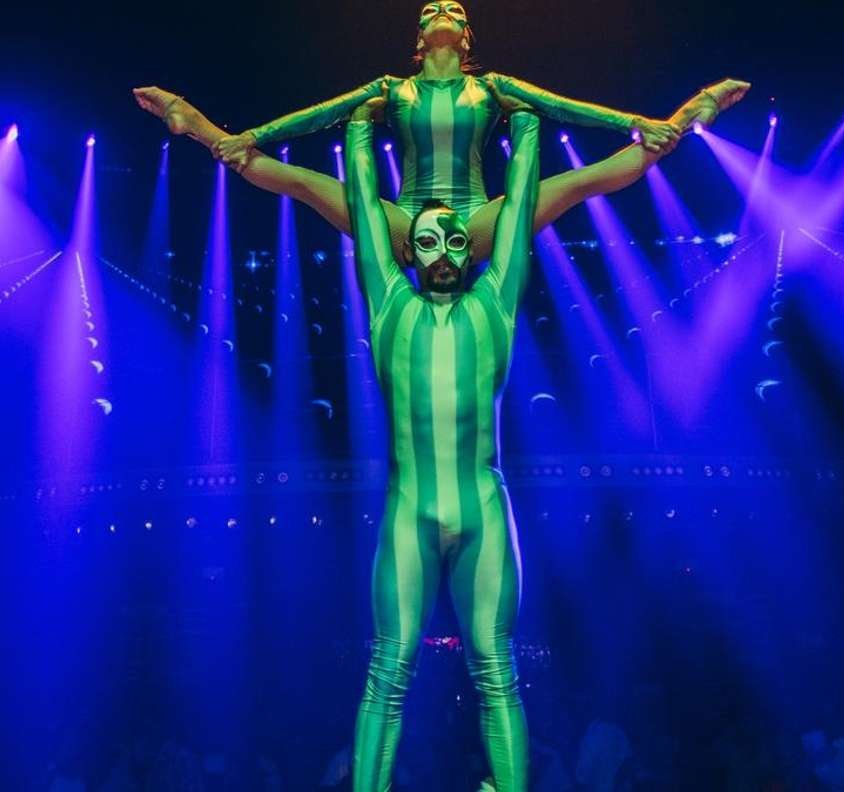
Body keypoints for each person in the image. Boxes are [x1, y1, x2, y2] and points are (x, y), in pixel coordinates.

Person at [132, 1, 748, 260]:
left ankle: (684, 117)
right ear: (421, 37)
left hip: (477, 216)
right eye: (432, 11)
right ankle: (199, 126)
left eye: (454, 9)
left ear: (465, 35)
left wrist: (635, 122)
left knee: (580, 181)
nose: (443, 12)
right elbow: (320, 114)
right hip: (405, 218)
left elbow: (564, 108)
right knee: (302, 181)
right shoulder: (391, 89)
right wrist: (254, 134)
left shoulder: (493, 86)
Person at [341, 87, 541, 790]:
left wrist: (526, 132)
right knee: (388, 668)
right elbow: (365, 211)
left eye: (457, 239)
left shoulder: (495, 303)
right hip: (410, 511)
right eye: (427, 240)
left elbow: (518, 210)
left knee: (496, 667)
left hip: (483, 506)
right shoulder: (388, 304)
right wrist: (359, 135)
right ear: (408, 250)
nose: (446, 251)